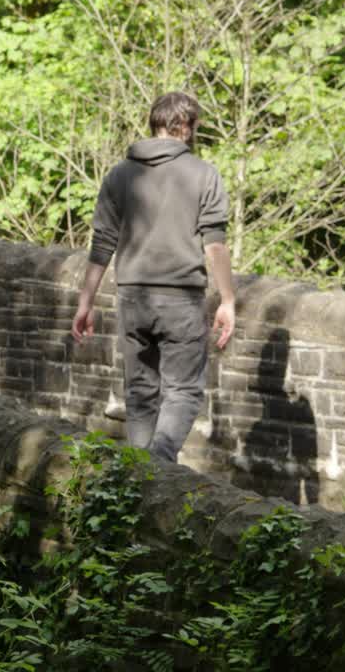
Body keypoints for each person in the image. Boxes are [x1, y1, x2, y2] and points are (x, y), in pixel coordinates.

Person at [71, 92, 236, 463]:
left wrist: (86, 302)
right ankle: (157, 464)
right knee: (183, 392)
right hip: (181, 299)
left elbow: (103, 243)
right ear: (186, 126)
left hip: (132, 297)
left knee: (140, 391)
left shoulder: (119, 175)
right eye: (195, 126)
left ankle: (138, 476)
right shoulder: (204, 175)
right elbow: (215, 246)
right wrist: (227, 300)